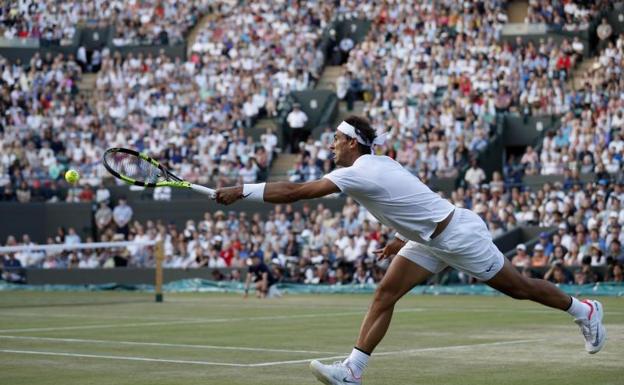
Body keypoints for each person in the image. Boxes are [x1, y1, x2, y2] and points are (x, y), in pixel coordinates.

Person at [215, 116, 606, 385]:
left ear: (352, 143)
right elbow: (413, 203)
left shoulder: (360, 171)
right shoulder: (375, 165)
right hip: (430, 237)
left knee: (520, 288)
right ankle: (353, 370)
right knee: (385, 293)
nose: (331, 146)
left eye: (336, 140)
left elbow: (297, 193)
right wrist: (404, 239)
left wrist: (243, 189)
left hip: (458, 237)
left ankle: (583, 310)